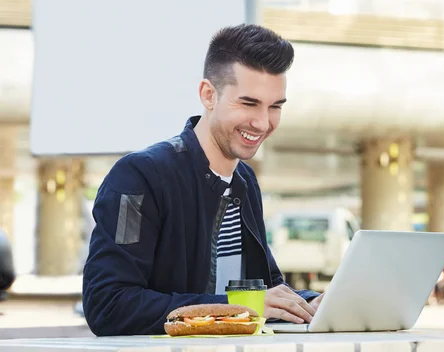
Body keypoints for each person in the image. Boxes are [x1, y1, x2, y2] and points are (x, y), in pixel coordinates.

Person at [82, 24, 323, 336]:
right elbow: (109, 305)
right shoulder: (139, 177)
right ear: (208, 95)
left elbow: (264, 290)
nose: (263, 122)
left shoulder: (244, 181)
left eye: (275, 106)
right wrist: (234, 309)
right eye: (249, 103)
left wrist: (313, 302)